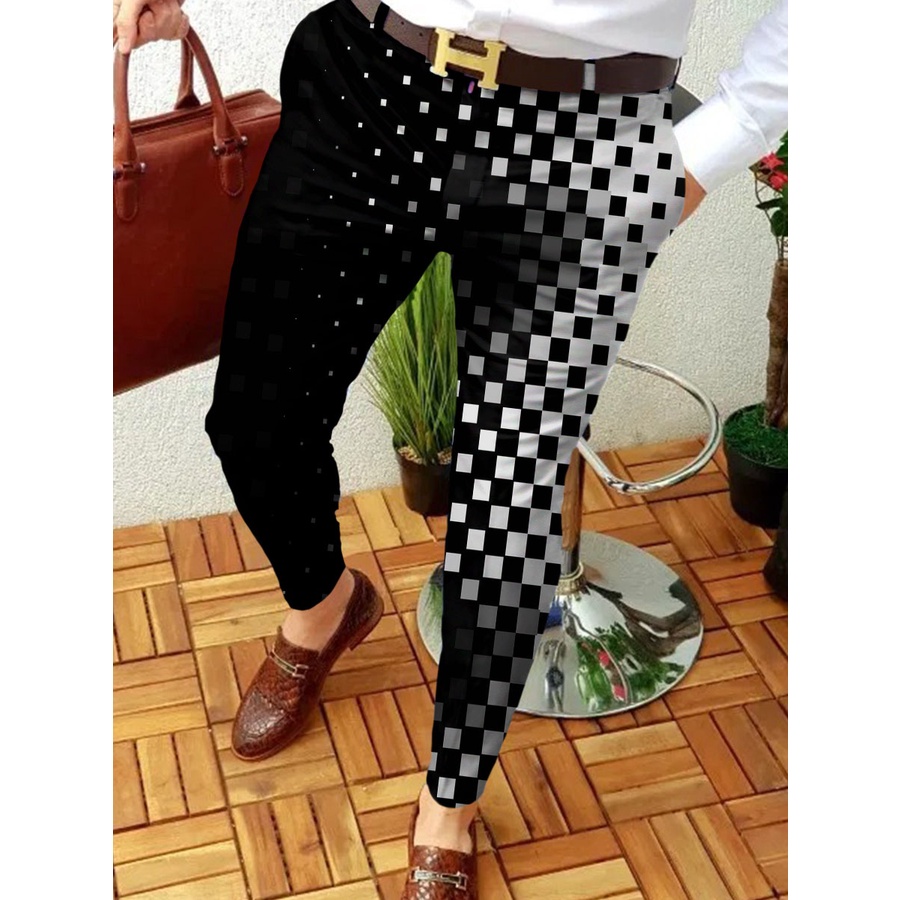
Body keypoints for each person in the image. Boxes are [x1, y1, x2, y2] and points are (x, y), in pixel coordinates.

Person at [114, 2, 788, 896]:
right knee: (256, 418)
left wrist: (711, 144)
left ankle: (451, 802)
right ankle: (325, 605)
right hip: (374, 73)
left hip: (586, 135)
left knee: (506, 514)